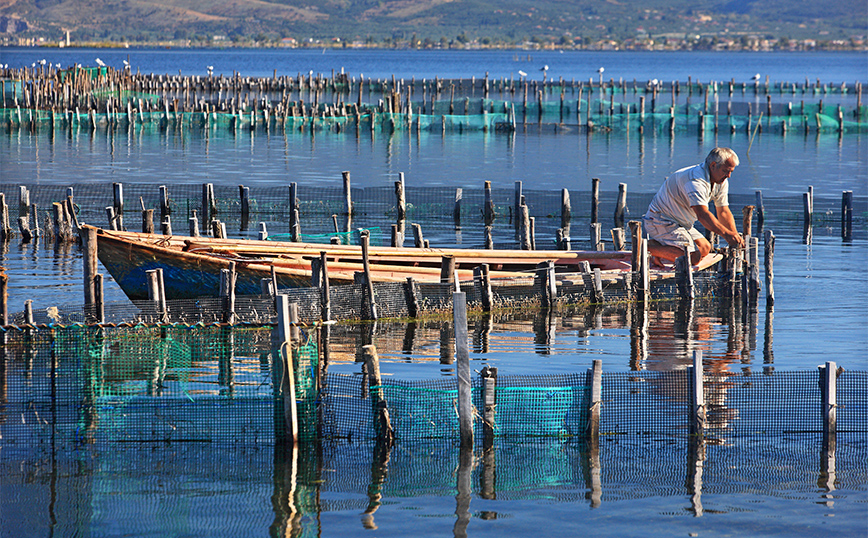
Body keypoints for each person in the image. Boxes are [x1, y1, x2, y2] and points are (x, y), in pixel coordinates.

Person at [643, 147, 745, 266]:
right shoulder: (695, 180)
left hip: (681, 223)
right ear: (713, 165)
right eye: (726, 171)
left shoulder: (720, 181)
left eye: (731, 171)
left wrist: (734, 235)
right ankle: (645, 248)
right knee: (692, 258)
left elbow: (723, 211)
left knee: (705, 248)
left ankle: (659, 249)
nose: (729, 176)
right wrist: (726, 235)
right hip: (660, 221)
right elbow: (702, 215)